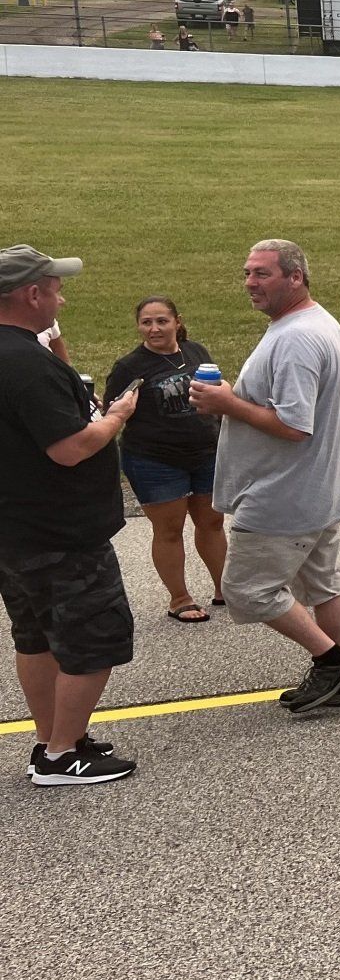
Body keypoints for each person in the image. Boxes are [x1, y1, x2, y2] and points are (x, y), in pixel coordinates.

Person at [190, 239, 340, 716]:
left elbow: (293, 425)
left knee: (248, 590)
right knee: (324, 584)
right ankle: (336, 681)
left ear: (296, 277)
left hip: (283, 495)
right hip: (319, 488)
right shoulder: (315, 321)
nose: (250, 282)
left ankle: (334, 661)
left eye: (262, 274)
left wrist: (226, 403)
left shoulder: (296, 339)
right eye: (247, 272)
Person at [0, 245, 140, 785]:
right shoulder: (23, 363)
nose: (61, 294)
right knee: (91, 640)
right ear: (31, 293)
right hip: (61, 533)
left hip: (15, 531)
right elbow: (70, 448)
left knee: (35, 638)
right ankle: (62, 756)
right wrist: (117, 417)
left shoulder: (18, 356)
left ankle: (52, 739)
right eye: (55, 287)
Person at [103, 296, 229, 623]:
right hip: (154, 460)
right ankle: (180, 599)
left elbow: (215, 393)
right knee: (169, 529)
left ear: (177, 321)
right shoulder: (130, 367)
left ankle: (225, 589)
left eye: (161, 321)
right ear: (138, 326)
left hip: (205, 453)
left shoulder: (196, 352)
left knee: (212, 522)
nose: (154, 328)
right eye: (147, 322)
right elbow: (114, 412)